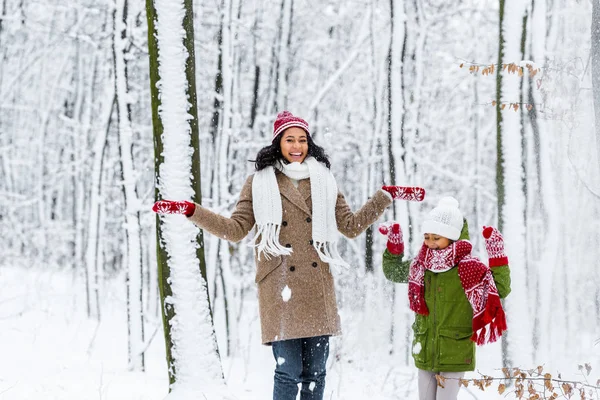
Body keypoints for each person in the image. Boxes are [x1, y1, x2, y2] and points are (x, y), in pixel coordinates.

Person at [152, 111, 415, 400]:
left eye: (302, 140)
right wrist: (193, 211)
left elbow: (350, 226)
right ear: (278, 142)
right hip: (281, 287)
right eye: (290, 139)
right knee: (287, 371)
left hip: (317, 288)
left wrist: (384, 196)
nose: (297, 146)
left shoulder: (325, 180)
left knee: (316, 372)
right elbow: (236, 229)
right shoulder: (259, 182)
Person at [379, 196, 511, 400]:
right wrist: (394, 247)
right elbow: (393, 272)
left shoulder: (468, 268)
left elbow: (500, 288)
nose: (431, 243)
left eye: (437, 237)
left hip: (455, 350)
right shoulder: (421, 265)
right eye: (427, 236)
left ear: (453, 237)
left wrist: (497, 256)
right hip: (425, 349)